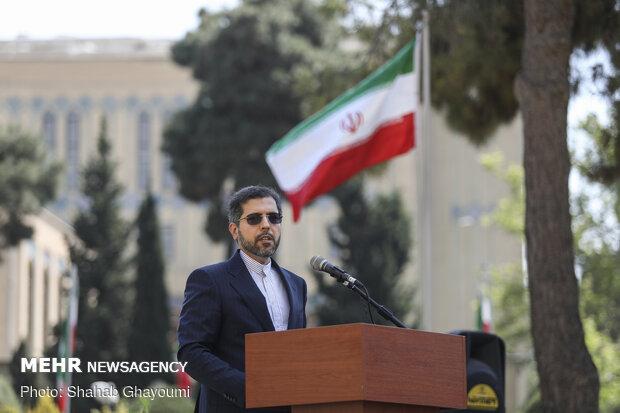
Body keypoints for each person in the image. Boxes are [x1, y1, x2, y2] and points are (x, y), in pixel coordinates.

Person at [178, 185, 307, 413]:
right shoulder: (210, 280)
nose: (266, 225)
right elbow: (191, 352)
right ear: (234, 230)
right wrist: (247, 389)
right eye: (255, 219)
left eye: (274, 217)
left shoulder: (297, 285)